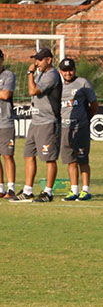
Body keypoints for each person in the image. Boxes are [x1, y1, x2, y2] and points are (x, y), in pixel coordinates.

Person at [10, 47, 62, 203]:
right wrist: (33, 74)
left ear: (49, 60)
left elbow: (33, 91)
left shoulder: (51, 75)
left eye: (39, 59)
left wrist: (29, 73)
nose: (36, 63)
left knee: (49, 158)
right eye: (35, 59)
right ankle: (27, 191)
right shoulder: (41, 74)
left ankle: (48, 192)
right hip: (36, 121)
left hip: (48, 122)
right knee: (28, 155)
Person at [58, 57, 98, 201]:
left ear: (75, 70)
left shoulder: (83, 83)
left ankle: (85, 190)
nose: (68, 73)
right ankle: (74, 190)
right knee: (70, 160)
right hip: (65, 128)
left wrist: (87, 119)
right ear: (60, 71)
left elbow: (93, 104)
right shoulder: (58, 86)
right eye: (65, 70)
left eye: (70, 70)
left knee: (83, 159)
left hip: (80, 127)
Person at [0, 48, 16, 199]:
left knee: (7, 155)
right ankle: (0, 188)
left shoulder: (8, 75)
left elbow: (6, 94)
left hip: (5, 122)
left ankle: (11, 188)